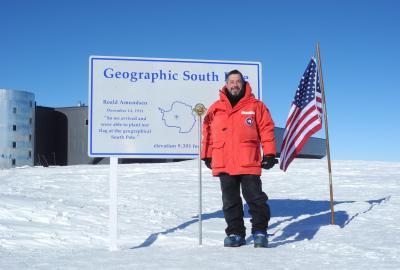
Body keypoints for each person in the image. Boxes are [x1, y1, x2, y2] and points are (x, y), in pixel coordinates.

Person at [201, 70, 278, 248]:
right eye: (231, 81)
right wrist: (207, 154)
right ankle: (235, 233)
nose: (234, 85)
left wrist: (269, 154)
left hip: (248, 160)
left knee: (255, 198)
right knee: (230, 201)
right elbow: (208, 132)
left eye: (238, 82)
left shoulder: (256, 106)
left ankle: (260, 232)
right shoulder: (215, 108)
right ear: (226, 84)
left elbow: (266, 129)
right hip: (224, 160)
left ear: (243, 84)